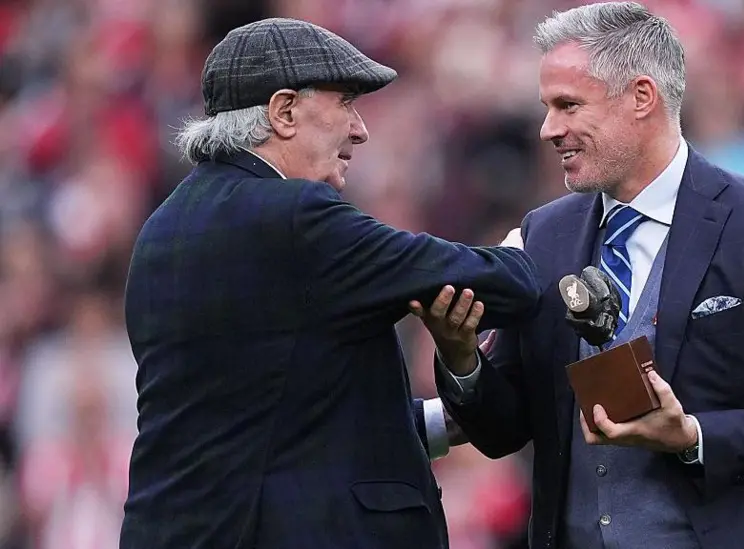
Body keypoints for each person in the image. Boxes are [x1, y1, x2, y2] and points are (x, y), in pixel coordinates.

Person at [413, 3, 744, 549]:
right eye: (547, 108)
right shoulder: (544, 235)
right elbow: (505, 428)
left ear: (642, 97)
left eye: (568, 105)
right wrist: (461, 357)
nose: (548, 129)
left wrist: (693, 436)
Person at [120, 18, 542, 549]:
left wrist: (442, 420)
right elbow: (504, 286)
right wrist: (534, 242)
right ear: (284, 112)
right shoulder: (294, 213)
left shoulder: (160, 230)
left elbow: (267, 419)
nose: (360, 129)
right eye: (345, 102)